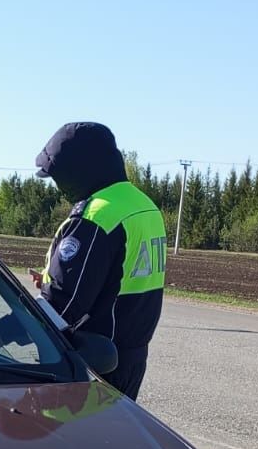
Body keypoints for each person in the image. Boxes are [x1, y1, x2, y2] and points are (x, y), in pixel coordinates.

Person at [32, 121, 167, 400]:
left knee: (71, 441)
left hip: (91, 362)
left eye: (60, 178)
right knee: (112, 438)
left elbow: (62, 305)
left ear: (79, 170)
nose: (59, 187)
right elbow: (115, 276)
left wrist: (4, 329)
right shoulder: (143, 205)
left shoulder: (97, 216)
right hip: (130, 358)